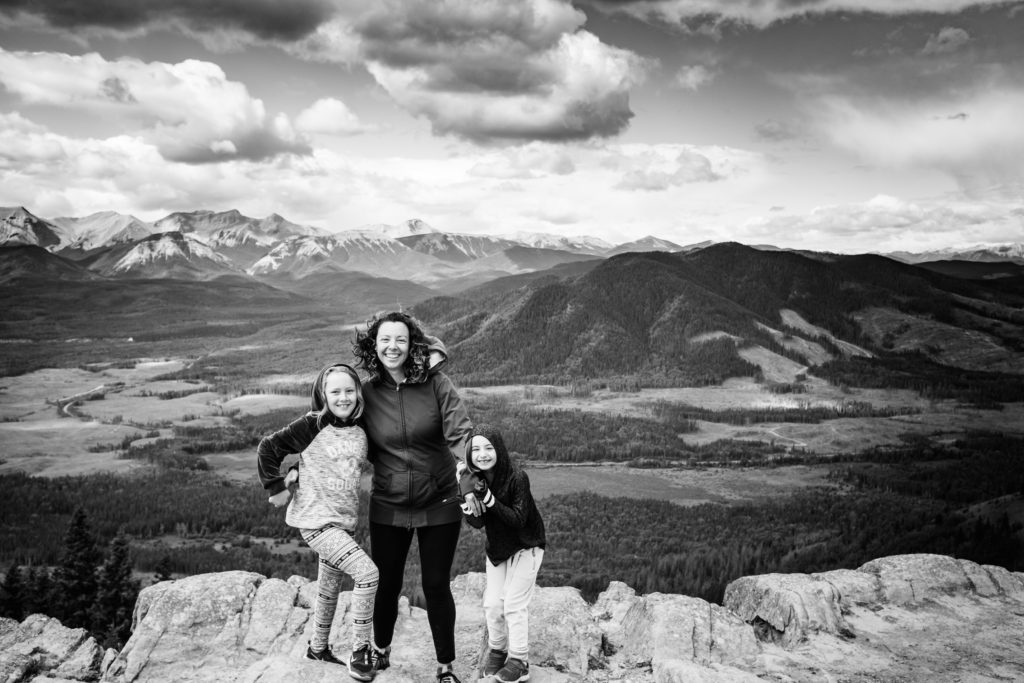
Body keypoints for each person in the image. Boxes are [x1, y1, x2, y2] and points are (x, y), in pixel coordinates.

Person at [353, 311, 474, 683]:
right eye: (385, 339)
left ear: (413, 345)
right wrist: (293, 468)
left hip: (438, 500)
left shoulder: (437, 384)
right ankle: (381, 651)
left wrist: (475, 477)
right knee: (386, 583)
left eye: (401, 340)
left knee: (435, 584)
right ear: (374, 345)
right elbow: (334, 428)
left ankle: (446, 667)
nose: (393, 347)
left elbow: (462, 434)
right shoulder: (366, 393)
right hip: (388, 502)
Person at [257, 363, 379, 682]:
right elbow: (269, 447)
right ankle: (361, 650)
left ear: (358, 393)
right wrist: (277, 486)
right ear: (322, 394)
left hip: (342, 523)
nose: (343, 397)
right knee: (367, 574)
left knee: (329, 587)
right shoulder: (312, 424)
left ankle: (317, 648)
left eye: (349, 390)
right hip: (316, 522)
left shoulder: (361, 425)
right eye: (335, 391)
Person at [458, 424, 546, 683]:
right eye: (476, 449)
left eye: (489, 447)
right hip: (498, 549)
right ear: (468, 454)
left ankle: (520, 660)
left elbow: (519, 519)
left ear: (499, 449)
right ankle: (498, 650)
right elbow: (478, 523)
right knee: (493, 604)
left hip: (526, 546)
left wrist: (489, 500)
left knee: (514, 605)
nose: (482, 454)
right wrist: (464, 497)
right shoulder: (475, 480)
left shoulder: (517, 477)